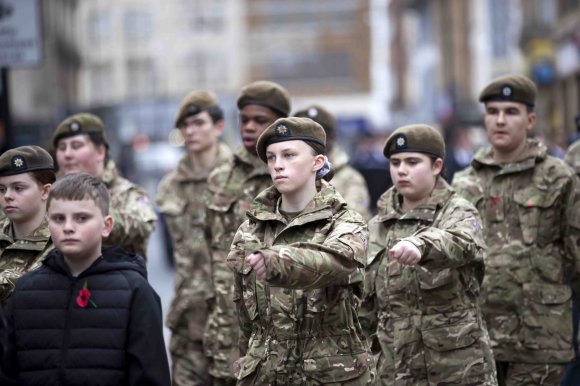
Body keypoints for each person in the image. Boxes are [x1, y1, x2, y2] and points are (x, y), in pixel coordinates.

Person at [452, 74, 580, 386]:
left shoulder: (558, 177)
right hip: (477, 337)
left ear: (530, 119)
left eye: (511, 112)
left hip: (540, 337)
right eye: (493, 112)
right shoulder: (464, 182)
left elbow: (576, 252)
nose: (500, 120)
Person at [227, 116, 373, 385]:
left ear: (317, 163)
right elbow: (246, 323)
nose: (278, 165)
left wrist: (279, 260)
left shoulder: (345, 223)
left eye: (289, 155)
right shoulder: (250, 231)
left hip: (330, 375)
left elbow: (335, 263)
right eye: (271, 158)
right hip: (267, 375)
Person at [0, 173, 171, 386]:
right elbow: (7, 372)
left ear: (106, 225)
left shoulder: (135, 292)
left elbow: (151, 376)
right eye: (58, 218)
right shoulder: (25, 291)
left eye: (82, 218)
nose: (68, 227)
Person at [359, 124, 497, 385]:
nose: (401, 170)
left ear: (436, 166)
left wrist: (421, 245)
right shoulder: (377, 226)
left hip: (455, 369)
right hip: (395, 369)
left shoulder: (458, 212)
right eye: (395, 162)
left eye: (412, 162)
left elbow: (462, 241)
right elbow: (366, 305)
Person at [203, 80, 291, 385]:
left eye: (260, 120)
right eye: (245, 119)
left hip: (280, 324)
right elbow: (209, 247)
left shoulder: (291, 174)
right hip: (228, 324)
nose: (250, 127)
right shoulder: (220, 177)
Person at [156, 90, 232, 386]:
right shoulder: (170, 186)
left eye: (198, 123)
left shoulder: (241, 177)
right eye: (185, 125)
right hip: (189, 316)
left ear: (218, 126)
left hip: (233, 315)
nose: (190, 131)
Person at [52, 113, 157, 260]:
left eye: (76, 146)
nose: (67, 154)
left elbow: (141, 226)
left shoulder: (129, 194)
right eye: (62, 148)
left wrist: (88, 209)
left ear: (100, 151)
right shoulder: (47, 194)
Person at [294, 104, 372, 220]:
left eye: (315, 135)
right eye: (300, 135)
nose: (307, 141)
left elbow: (355, 221)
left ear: (331, 137)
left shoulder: (350, 178)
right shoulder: (283, 172)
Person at [0, 146, 56, 305]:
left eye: (18, 188)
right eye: (1, 189)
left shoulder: (62, 239)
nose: (8, 196)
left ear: (45, 191)